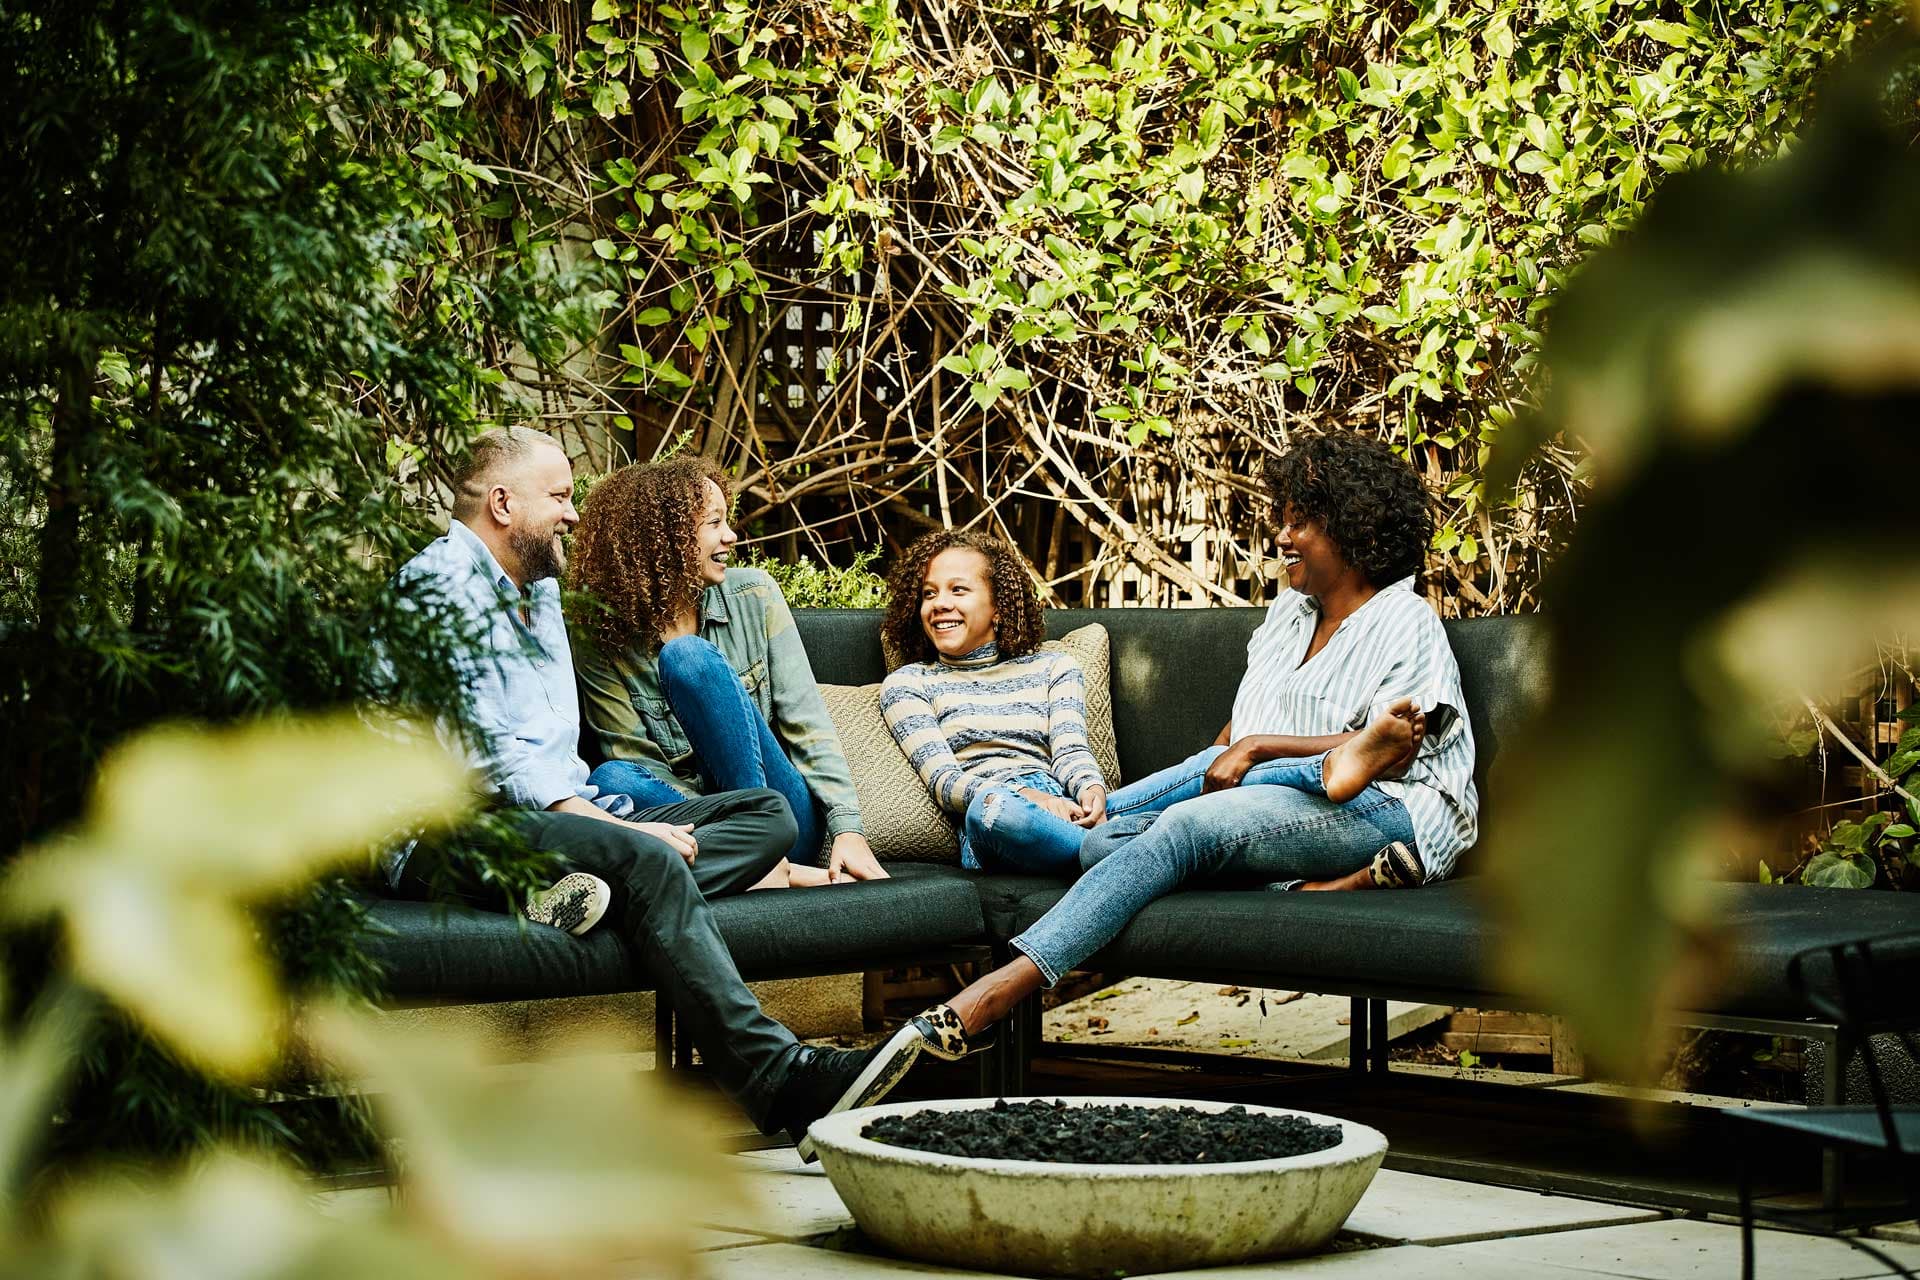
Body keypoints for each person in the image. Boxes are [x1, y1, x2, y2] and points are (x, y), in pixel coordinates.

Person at [391, 426, 924, 1156]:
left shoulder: (538, 594)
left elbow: (552, 757)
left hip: (538, 824)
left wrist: (609, 822)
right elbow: (488, 760)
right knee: (644, 863)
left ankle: (568, 892)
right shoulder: (441, 586)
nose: (573, 514)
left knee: (760, 813)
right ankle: (779, 1076)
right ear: (504, 502)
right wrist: (619, 831)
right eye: (560, 496)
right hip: (446, 829)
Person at [884, 433, 1480, 1062]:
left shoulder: (1404, 619)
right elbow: (1232, 738)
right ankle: (1316, 862)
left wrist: (1254, 748)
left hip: (1390, 805)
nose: (1281, 538)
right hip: (1288, 795)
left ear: (1353, 529)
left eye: (1299, 522)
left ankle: (1001, 990)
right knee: (1107, 838)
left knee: (1188, 828)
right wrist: (1225, 759)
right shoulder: (1288, 616)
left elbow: (1403, 751)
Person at [569, 458, 885, 888]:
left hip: (782, 816)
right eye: (714, 522)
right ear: (663, 538)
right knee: (612, 778)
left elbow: (808, 724)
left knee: (689, 659)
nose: (730, 535)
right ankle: (768, 870)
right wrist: (721, 828)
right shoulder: (600, 636)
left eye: (727, 520)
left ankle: (769, 856)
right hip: (694, 820)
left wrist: (848, 828)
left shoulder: (755, 594)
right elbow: (637, 763)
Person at [877, 530, 1107, 875]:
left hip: (1066, 807)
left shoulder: (1055, 668)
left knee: (1204, 768)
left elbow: (1071, 752)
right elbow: (945, 783)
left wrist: (1090, 789)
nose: (939, 603)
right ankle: (1134, 846)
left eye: (958, 590)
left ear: (997, 605)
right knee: (995, 810)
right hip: (997, 820)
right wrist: (1030, 798)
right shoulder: (908, 684)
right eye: (929, 593)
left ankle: (1110, 843)